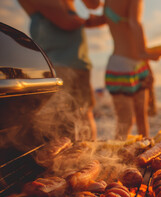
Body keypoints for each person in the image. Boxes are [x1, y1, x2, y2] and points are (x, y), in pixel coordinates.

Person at [18, 0, 105, 141]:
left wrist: (111, 12)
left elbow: (93, 5)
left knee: (85, 113)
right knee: (60, 118)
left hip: (80, 64)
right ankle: (65, 158)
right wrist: (89, 20)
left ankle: (90, 153)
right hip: (56, 67)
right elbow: (66, 22)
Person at [104, 0, 161, 140]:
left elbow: (102, 16)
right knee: (130, 121)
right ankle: (119, 157)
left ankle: (144, 155)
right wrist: (143, 52)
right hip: (125, 67)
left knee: (130, 120)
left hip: (127, 66)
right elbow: (134, 23)